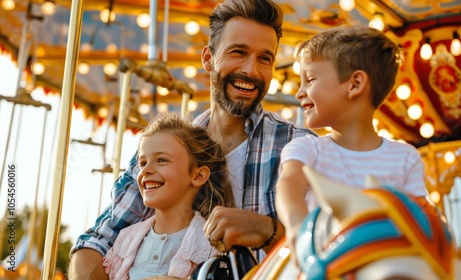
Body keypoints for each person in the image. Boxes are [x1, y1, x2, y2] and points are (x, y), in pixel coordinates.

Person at [68, 0, 315, 278]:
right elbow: (98, 240)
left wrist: (269, 230)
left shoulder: (300, 146)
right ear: (208, 58)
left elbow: (334, 234)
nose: (251, 70)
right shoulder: (164, 147)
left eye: (264, 58)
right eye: (238, 52)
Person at [275, 26, 428, 248]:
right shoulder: (306, 149)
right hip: (324, 256)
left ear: (355, 84)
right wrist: (297, 226)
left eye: (310, 79)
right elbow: (289, 183)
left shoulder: (405, 158)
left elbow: (420, 217)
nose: (300, 92)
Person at [102, 112, 235, 279]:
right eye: (143, 163)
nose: (146, 170)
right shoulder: (125, 240)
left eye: (162, 160)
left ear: (198, 176)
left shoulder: (213, 245)